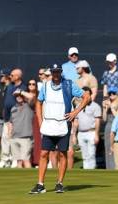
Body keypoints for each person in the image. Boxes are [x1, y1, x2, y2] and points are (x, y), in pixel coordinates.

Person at [31, 64, 87, 195]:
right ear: (51, 73)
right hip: (49, 125)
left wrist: (75, 112)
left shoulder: (68, 84)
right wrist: (40, 121)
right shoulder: (45, 86)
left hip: (63, 125)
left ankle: (59, 183)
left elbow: (86, 96)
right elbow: (38, 102)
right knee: (44, 153)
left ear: (61, 72)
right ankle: (40, 184)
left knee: (62, 154)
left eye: (58, 72)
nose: (55, 74)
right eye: (53, 72)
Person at [71, 86, 101, 170]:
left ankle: (91, 171)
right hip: (81, 133)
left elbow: (97, 121)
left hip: (91, 132)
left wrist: (96, 134)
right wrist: (74, 135)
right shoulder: (78, 106)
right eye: (85, 94)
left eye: (88, 94)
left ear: (91, 95)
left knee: (91, 154)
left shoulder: (95, 106)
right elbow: (76, 122)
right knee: (84, 155)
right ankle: (86, 171)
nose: (86, 96)